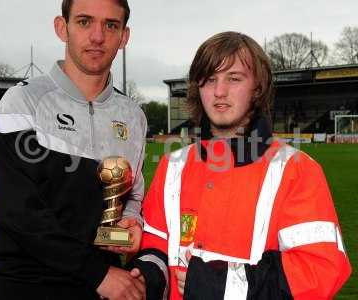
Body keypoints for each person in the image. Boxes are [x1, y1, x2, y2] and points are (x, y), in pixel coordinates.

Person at [127, 32, 351, 299]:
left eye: (234, 78)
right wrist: (146, 277)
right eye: (210, 80)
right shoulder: (172, 164)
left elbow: (321, 270)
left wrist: (220, 286)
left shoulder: (297, 169)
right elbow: (156, 247)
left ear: (257, 87)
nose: (219, 91)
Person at [0, 1, 147, 299]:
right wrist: (97, 274)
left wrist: (132, 222)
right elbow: (21, 215)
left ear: (124, 37)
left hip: (104, 286)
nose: (98, 36)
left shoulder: (133, 116)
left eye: (111, 25)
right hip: (27, 285)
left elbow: (134, 195)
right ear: (63, 28)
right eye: (85, 22)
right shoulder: (22, 102)